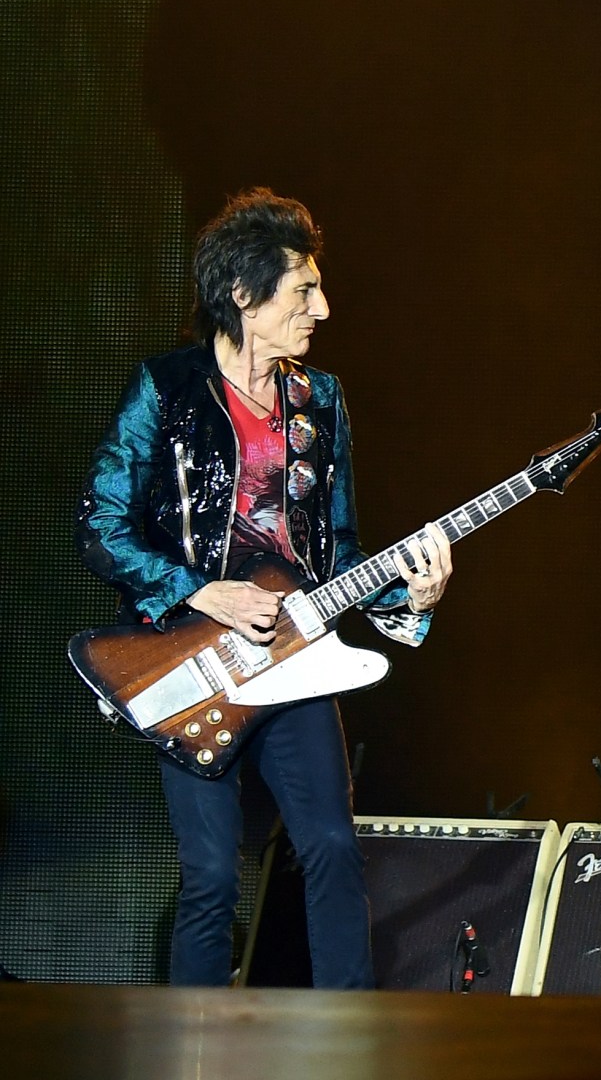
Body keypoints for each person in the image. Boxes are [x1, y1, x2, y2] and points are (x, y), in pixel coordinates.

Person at [74, 190, 453, 988]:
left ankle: (344, 1044)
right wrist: (199, 592)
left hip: (298, 652)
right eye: (302, 291)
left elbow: (339, 549)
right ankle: (194, 1054)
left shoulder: (322, 401)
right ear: (244, 297)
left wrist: (408, 600)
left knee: (333, 852)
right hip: (192, 658)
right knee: (211, 877)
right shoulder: (166, 389)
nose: (322, 307)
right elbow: (100, 524)